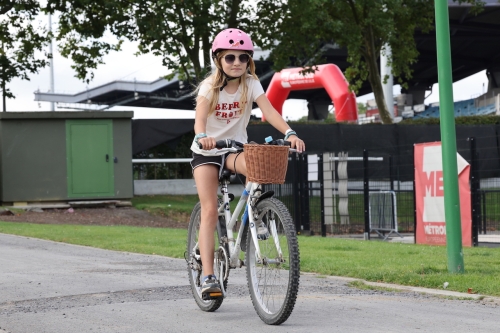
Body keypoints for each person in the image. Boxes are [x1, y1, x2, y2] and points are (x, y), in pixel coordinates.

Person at [190, 28, 306, 296]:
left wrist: (289, 132)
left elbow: (268, 110)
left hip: (233, 149)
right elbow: (199, 118)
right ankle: (208, 276)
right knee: (209, 211)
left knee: (256, 167)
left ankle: (255, 213)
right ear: (218, 59)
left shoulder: (251, 84)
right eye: (230, 57)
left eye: (243, 58)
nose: (236, 63)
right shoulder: (209, 86)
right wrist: (203, 136)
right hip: (207, 152)